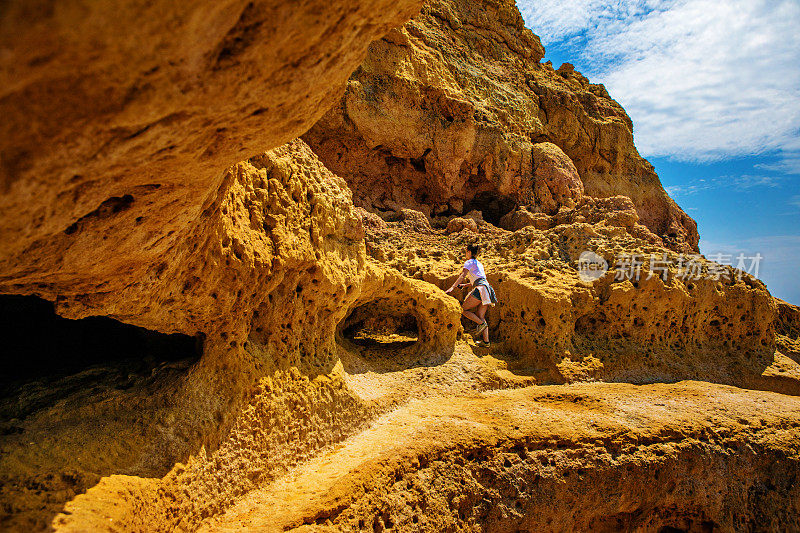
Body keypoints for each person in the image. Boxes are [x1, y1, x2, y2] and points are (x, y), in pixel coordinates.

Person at [445, 243, 497, 347]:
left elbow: (463, 275)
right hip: (487, 290)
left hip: (480, 289)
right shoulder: (479, 263)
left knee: (463, 310)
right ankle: (486, 342)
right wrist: (465, 285)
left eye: (466, 251)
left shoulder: (469, 262)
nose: (465, 254)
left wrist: (452, 287)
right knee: (481, 316)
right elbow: (479, 279)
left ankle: (481, 324)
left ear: (469, 252)